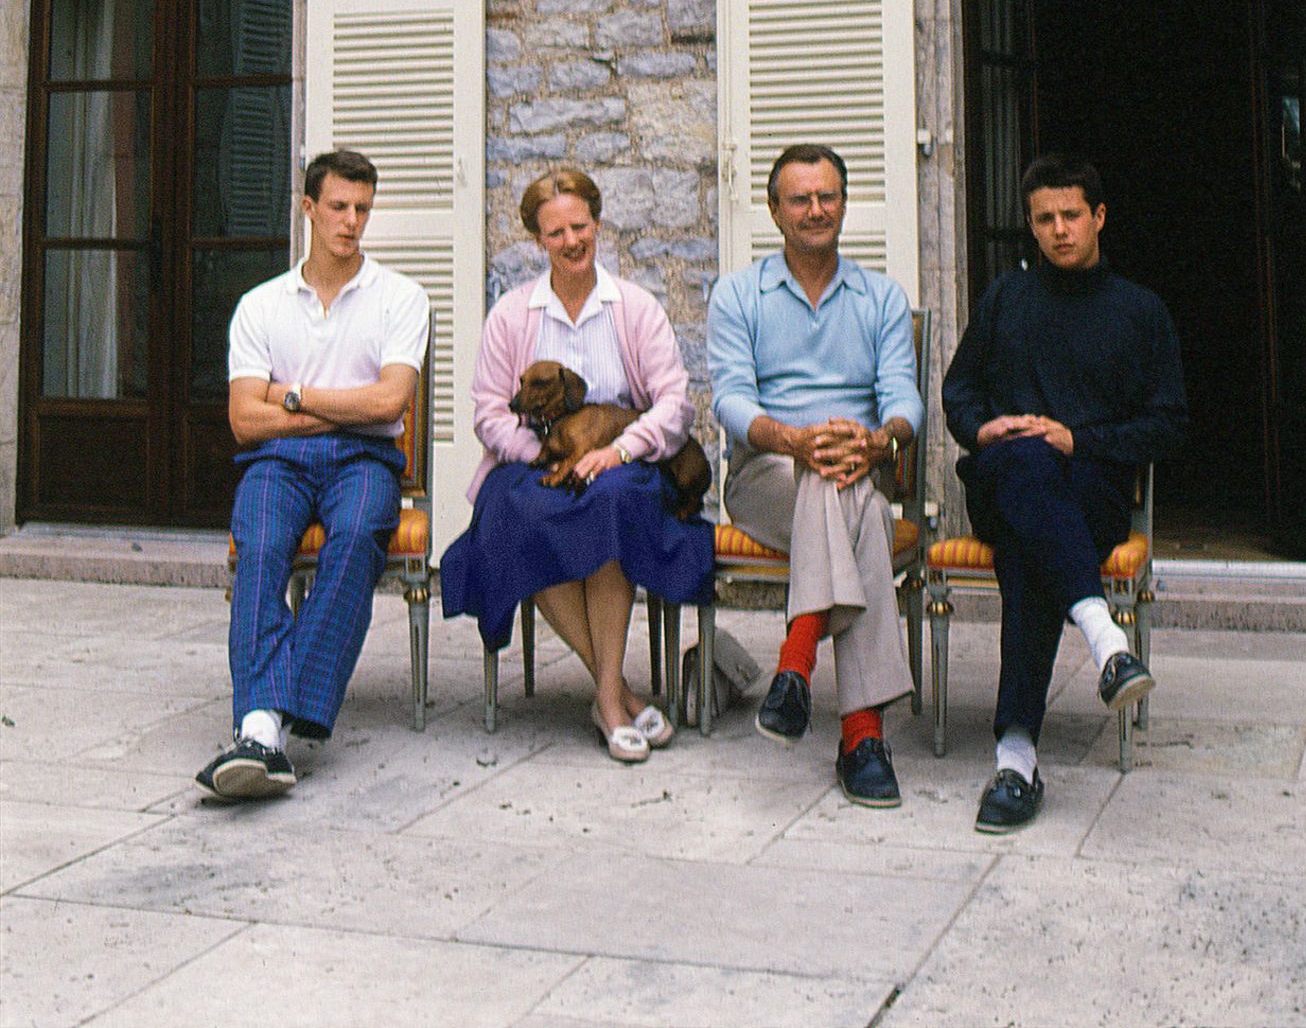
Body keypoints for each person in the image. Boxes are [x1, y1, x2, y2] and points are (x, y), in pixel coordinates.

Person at [942, 155, 1186, 833]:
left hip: (1092, 490)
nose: (1058, 229)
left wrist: (1079, 440)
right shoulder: (1004, 299)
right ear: (1031, 223)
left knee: (1032, 548)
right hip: (1000, 486)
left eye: (1071, 214)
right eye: (1044, 218)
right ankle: (1105, 637)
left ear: (1099, 216)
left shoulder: (1140, 311)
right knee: (1022, 459)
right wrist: (983, 426)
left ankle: (1016, 758)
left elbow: (1170, 423)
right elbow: (958, 393)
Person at [439, 166, 713, 763]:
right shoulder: (512, 313)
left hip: (622, 459)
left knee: (610, 505)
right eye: (556, 231)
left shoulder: (635, 308)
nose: (571, 241)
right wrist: (540, 452)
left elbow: (675, 402)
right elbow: (488, 410)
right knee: (524, 513)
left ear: (598, 223)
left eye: (580, 226)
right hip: (531, 460)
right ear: (539, 240)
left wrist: (619, 449)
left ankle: (608, 699)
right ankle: (615, 695)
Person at [197, 148, 429, 801]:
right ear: (308, 207)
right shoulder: (261, 305)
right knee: (263, 546)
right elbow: (245, 419)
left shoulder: (401, 297)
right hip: (276, 463)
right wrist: (341, 408)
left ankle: (273, 717)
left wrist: (291, 396)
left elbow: (389, 405)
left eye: (362, 208)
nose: (351, 221)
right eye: (338, 206)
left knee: (357, 535)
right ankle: (263, 729)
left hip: (367, 460)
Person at [706, 143, 923, 810]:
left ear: (844, 203)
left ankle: (797, 669)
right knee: (844, 490)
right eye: (800, 198)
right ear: (774, 209)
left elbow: (904, 398)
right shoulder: (738, 293)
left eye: (827, 196)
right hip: (763, 473)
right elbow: (732, 401)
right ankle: (861, 736)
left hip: (856, 463)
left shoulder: (882, 297)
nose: (815, 209)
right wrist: (795, 440)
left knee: (844, 483)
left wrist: (879, 437)